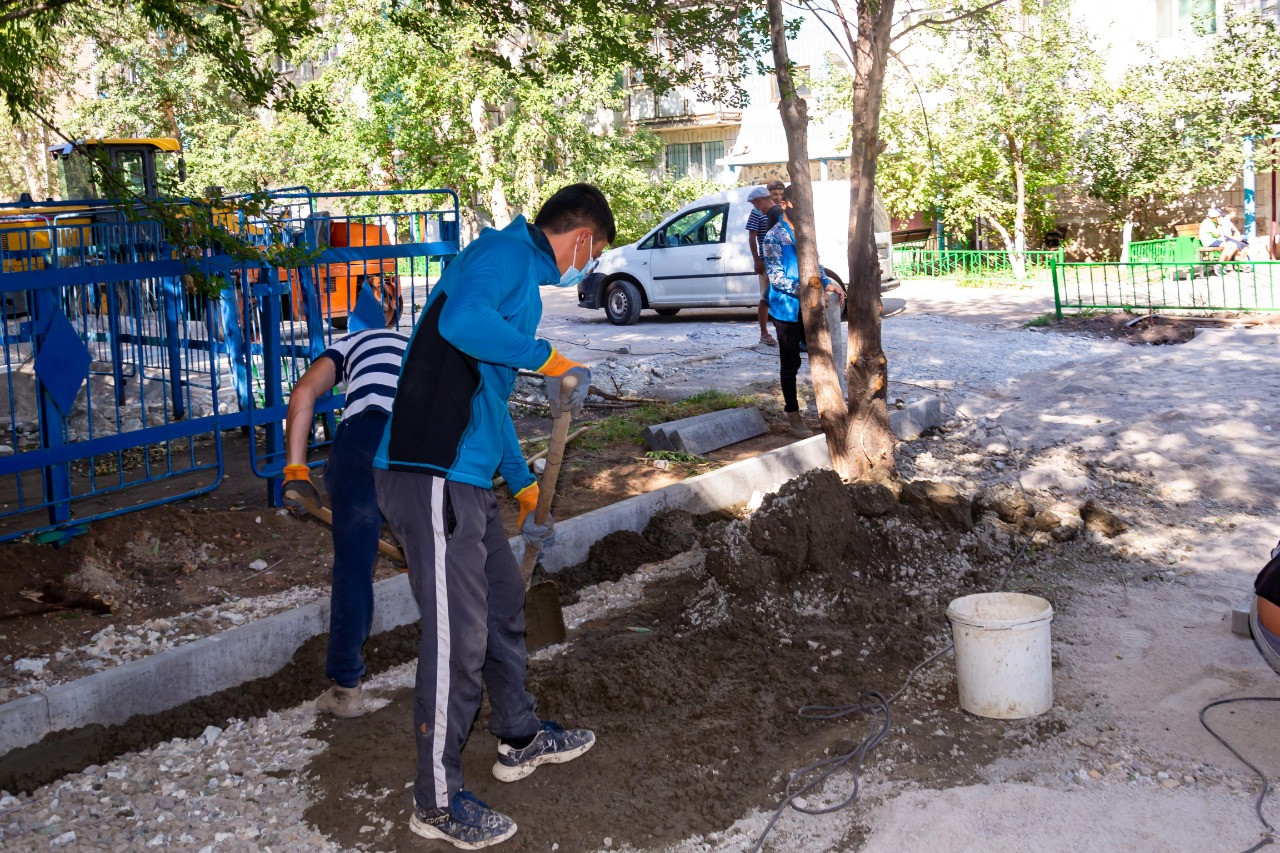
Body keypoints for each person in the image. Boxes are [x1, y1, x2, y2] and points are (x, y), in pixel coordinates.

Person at [373, 183, 611, 849]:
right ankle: (437, 800)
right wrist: (548, 359)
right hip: (429, 472)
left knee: (506, 603)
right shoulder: (502, 255)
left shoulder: (522, 284)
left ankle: (519, 736)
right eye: (592, 253)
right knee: (458, 637)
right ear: (582, 238)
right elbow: (458, 324)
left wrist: (523, 484)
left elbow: (490, 397)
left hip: (467, 478)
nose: (588, 265)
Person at [280, 289, 408, 719]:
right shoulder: (414, 343)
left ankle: (346, 689)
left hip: (363, 440)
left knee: (354, 569)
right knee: (441, 557)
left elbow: (303, 394)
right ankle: (464, 660)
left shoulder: (349, 344)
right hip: (415, 444)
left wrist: (297, 470)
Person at [762, 184, 843, 439]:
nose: (804, 211)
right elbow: (776, 278)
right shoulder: (773, 237)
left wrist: (828, 282)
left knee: (821, 356)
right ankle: (793, 416)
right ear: (784, 204)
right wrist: (807, 290)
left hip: (812, 307)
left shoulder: (807, 234)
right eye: (799, 204)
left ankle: (830, 409)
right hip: (787, 309)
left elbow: (816, 265)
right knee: (790, 363)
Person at [745, 185, 782, 347]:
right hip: (767, 261)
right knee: (765, 297)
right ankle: (764, 333)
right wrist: (757, 260)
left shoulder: (778, 211)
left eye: (780, 194)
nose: (778, 197)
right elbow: (752, 236)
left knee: (771, 296)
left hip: (777, 262)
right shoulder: (759, 213)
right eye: (775, 194)